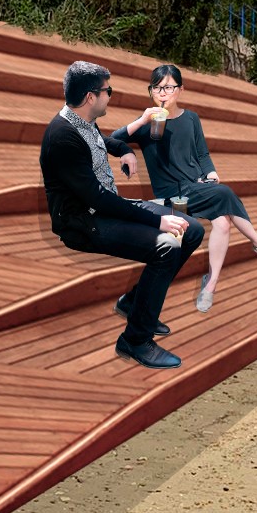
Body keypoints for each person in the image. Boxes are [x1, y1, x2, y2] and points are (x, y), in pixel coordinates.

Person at [41, 60, 204, 369]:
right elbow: (98, 199)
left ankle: (134, 303)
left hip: (104, 208)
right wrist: (158, 220)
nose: (110, 96)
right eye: (107, 91)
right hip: (84, 222)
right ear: (91, 97)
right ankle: (135, 340)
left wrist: (124, 150)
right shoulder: (62, 137)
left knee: (191, 229)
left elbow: (103, 142)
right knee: (167, 244)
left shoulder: (82, 120)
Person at [111, 64, 257, 315]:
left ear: (180, 90)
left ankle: (211, 284)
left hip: (196, 187)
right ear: (151, 91)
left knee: (223, 223)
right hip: (172, 196)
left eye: (169, 87)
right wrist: (142, 121)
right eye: (157, 88)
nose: (163, 93)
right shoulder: (148, 125)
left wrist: (211, 173)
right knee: (182, 243)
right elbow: (112, 139)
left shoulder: (191, 118)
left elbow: (202, 153)